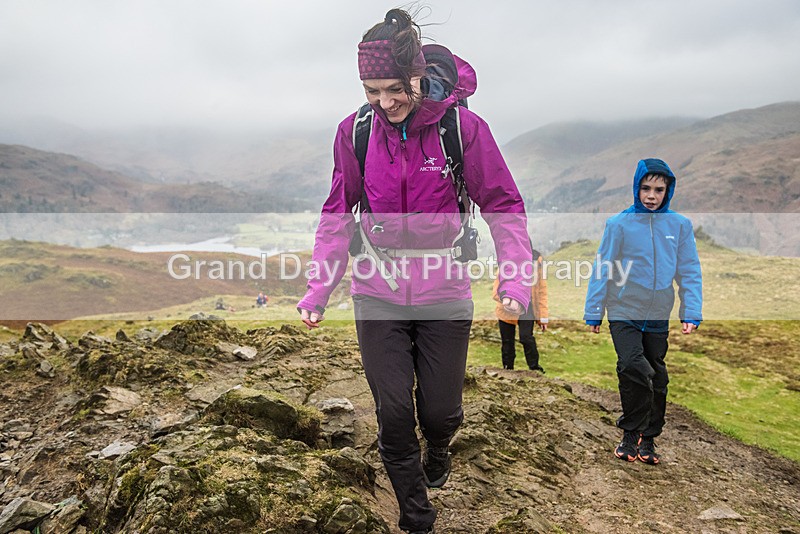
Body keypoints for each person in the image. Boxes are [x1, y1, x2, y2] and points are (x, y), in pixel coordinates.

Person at [296, 9, 532, 533]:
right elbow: (337, 212)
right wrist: (318, 289)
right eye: (372, 91)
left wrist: (515, 279)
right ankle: (416, 517)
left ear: (418, 76)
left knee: (440, 412)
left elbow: (503, 205)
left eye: (395, 89)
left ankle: (440, 445)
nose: (385, 103)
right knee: (394, 416)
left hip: (444, 290)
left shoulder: (462, 130)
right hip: (376, 291)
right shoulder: (355, 132)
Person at [583, 158, 703, 465]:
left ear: (668, 191)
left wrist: (691, 311)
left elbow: (689, 270)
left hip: (659, 311)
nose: (651, 195)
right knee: (634, 366)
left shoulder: (680, 225)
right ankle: (629, 433)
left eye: (659, 190)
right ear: (636, 188)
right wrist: (594, 310)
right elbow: (603, 267)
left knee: (658, 376)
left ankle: (648, 438)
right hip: (623, 308)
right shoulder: (619, 224)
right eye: (646, 188)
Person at [493, 248, 549, 371]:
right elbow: (496, 291)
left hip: (527, 307)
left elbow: (542, 292)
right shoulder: (507, 262)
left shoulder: (537, 263)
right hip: (507, 308)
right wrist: (510, 300)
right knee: (507, 341)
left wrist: (543, 318)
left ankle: (535, 369)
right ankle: (508, 369)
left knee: (526, 337)